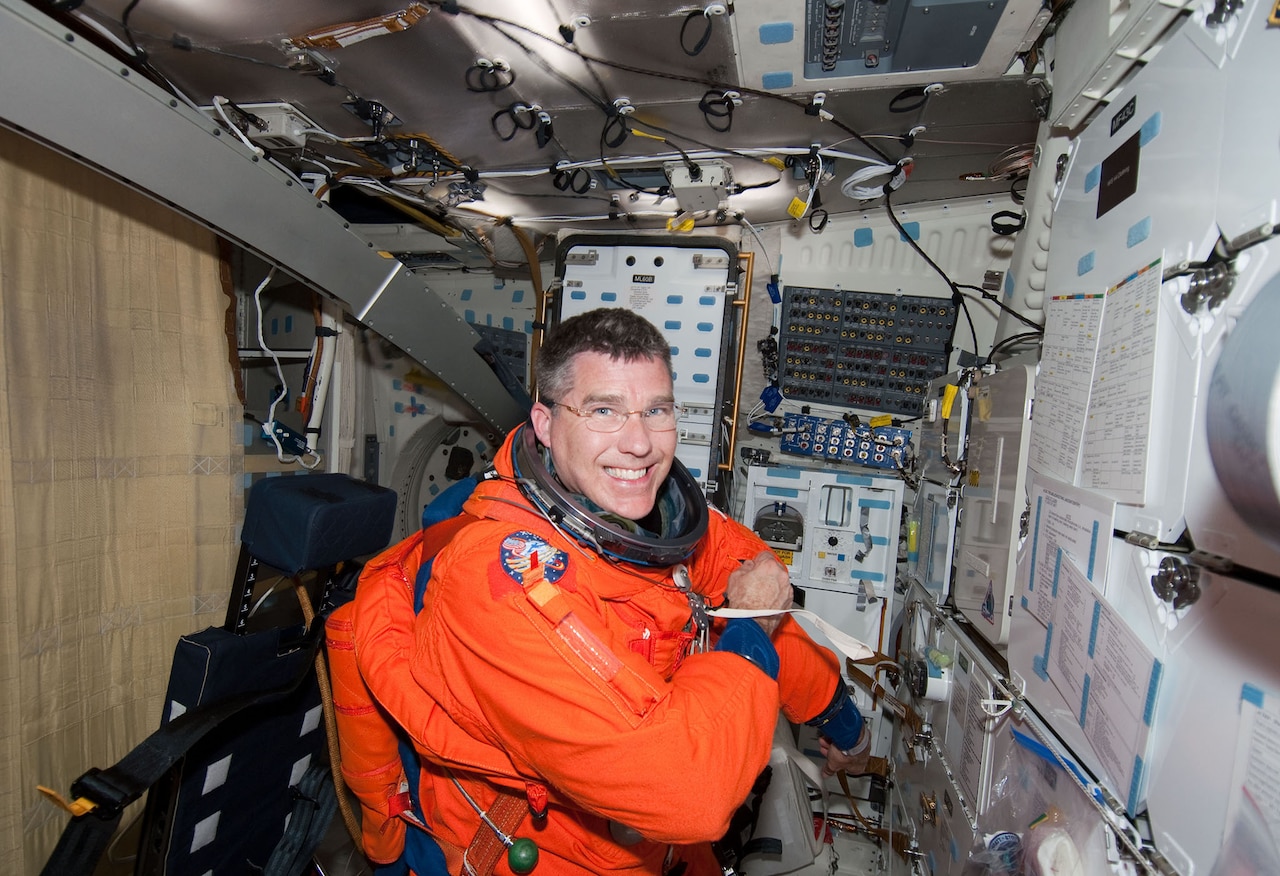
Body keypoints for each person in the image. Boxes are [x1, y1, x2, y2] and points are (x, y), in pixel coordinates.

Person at [349, 308, 871, 876]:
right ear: (545, 424)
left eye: (657, 411)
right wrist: (747, 629)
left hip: (647, 848)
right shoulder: (502, 581)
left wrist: (843, 722)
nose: (640, 443)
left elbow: (759, 595)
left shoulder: (664, 527)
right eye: (604, 410)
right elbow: (687, 791)